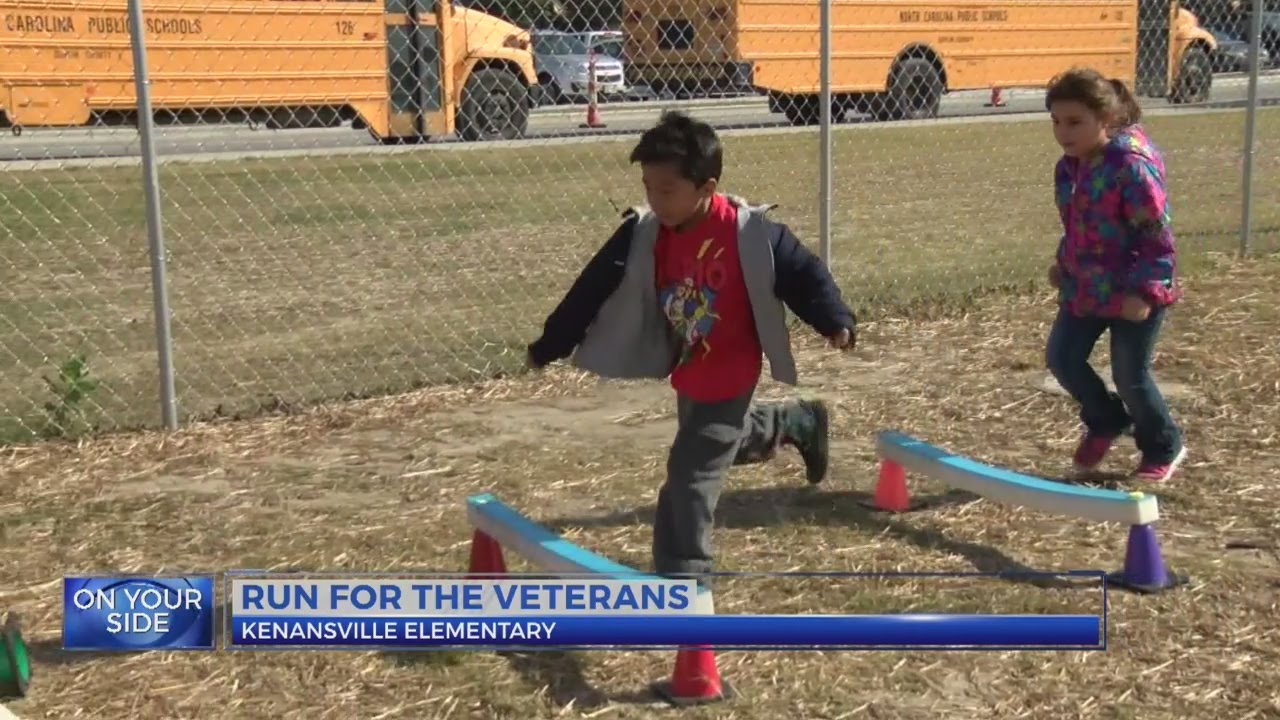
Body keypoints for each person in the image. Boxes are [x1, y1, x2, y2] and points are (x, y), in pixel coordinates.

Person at [525, 110, 857, 586]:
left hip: (731, 370)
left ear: (707, 187)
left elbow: (804, 273)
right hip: (689, 367)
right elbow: (592, 286)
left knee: (689, 477)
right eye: (647, 187)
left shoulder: (749, 233)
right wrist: (551, 343)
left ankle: (685, 585)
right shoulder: (644, 233)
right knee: (718, 444)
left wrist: (835, 321)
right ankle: (793, 422)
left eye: (666, 190)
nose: (654, 200)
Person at [1043, 68, 1186, 482]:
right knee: (1063, 358)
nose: (1063, 132)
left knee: (1130, 375)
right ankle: (1105, 421)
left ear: (1104, 119)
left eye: (1074, 122)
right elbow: (1078, 224)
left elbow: (1157, 236)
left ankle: (1163, 446)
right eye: (1056, 121)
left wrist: (1145, 290)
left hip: (1134, 291)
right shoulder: (1068, 168)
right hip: (1087, 285)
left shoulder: (1131, 168)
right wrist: (1064, 261)